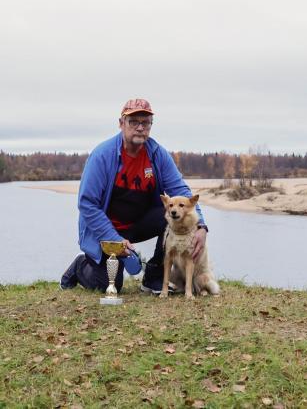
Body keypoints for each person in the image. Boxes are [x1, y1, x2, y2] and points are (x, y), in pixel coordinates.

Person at [60, 98, 208, 294]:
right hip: (108, 231)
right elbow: (87, 204)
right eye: (133, 122)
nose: (140, 128)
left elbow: (182, 192)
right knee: (109, 284)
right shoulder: (102, 156)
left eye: (145, 123)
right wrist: (114, 239)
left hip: (139, 224)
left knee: (171, 215)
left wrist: (201, 226)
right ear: (121, 124)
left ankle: (153, 277)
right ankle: (80, 266)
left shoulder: (157, 154)